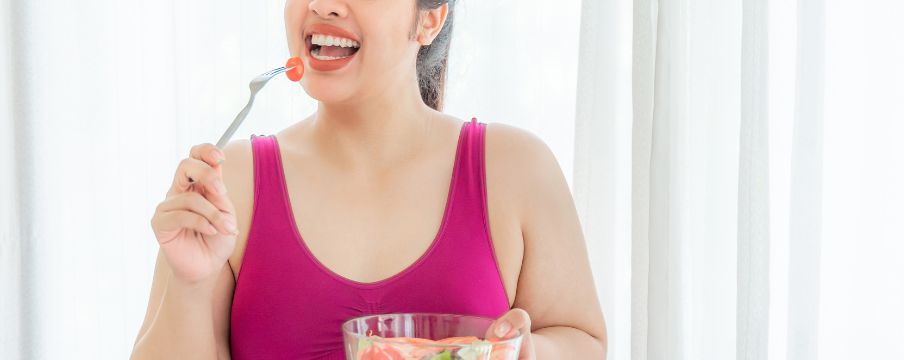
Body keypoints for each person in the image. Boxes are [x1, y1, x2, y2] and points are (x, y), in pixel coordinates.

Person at [130, 0, 606, 358]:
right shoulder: (227, 184)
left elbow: (582, 340)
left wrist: (527, 352)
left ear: (428, 19)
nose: (323, 5)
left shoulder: (517, 170)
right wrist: (189, 284)